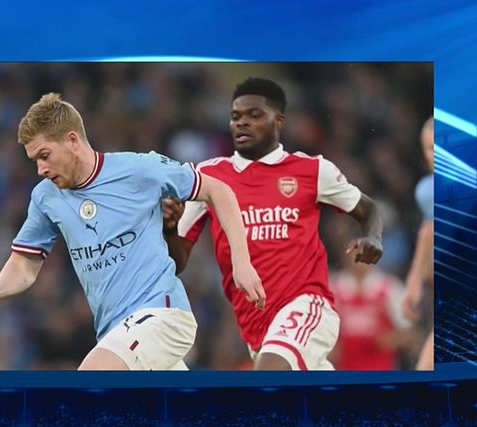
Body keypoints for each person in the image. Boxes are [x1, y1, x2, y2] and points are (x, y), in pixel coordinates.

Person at [0, 93, 264, 370]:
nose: (40, 169)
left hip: (162, 315)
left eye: (45, 156)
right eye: (34, 160)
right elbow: (24, 265)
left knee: (90, 379)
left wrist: (241, 262)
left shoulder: (138, 169)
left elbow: (218, 189)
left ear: (72, 141)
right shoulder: (46, 197)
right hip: (114, 332)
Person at [163, 77, 383, 370]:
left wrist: (373, 236)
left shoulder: (312, 170)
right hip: (257, 329)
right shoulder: (208, 178)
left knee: (269, 373)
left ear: (278, 122)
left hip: (307, 306)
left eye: (254, 115)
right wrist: (169, 228)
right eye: (236, 116)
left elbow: (368, 209)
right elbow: (176, 262)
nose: (242, 122)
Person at [330, 244, 411, 370]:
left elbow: (409, 333)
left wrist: (391, 340)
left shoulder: (390, 288)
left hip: (380, 370)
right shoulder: (332, 288)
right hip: (342, 370)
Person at [401, 116, 434, 370]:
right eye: (429, 148)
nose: (435, 156)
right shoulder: (427, 190)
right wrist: (414, 282)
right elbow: (428, 231)